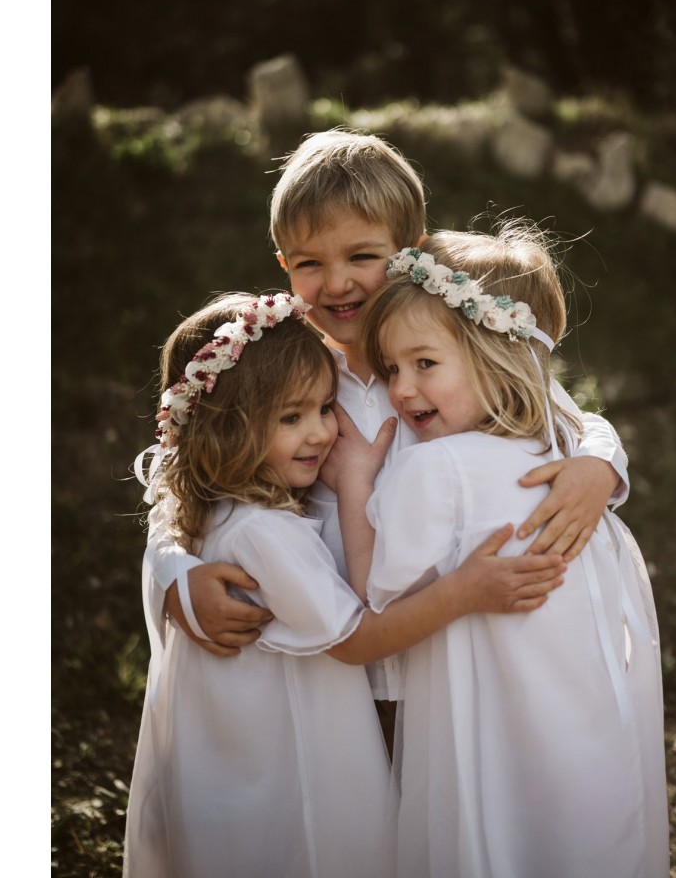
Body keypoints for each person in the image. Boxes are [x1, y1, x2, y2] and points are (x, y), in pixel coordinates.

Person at [147, 128, 630, 738]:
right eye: (311, 264)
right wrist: (172, 572)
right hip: (335, 662)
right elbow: (184, 469)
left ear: (412, 253)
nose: (338, 283)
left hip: (451, 651)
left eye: (362, 256)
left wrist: (600, 465)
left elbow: (566, 415)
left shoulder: (458, 353)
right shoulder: (284, 370)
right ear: (283, 266)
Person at [124, 291, 567, 878]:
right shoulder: (265, 531)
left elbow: (568, 414)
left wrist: (600, 464)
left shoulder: (226, 507)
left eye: (324, 409)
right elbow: (354, 640)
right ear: (227, 427)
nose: (321, 434)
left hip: (254, 744)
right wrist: (464, 591)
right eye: (291, 418)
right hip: (290, 750)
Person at [336, 225, 669, 878]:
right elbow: (585, 426)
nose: (402, 390)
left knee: (494, 833)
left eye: (424, 364)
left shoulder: (443, 468)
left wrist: (353, 484)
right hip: (587, 717)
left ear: (498, 356)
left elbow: (373, 582)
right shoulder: (560, 448)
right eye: (393, 369)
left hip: (494, 721)